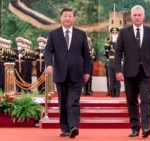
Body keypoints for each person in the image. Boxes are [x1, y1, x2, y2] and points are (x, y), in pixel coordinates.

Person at [114, 5, 150, 138]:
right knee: (131, 100)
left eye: (139, 15)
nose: (137, 17)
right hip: (129, 72)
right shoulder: (124, 32)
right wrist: (118, 70)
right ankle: (135, 128)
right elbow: (118, 53)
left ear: (144, 16)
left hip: (146, 72)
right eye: (135, 15)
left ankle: (146, 127)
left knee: (146, 99)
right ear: (131, 16)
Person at [44, 8, 91, 138]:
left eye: (70, 16)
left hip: (77, 73)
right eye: (65, 16)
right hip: (60, 73)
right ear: (61, 18)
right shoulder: (54, 34)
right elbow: (48, 51)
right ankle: (64, 128)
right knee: (63, 102)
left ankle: (74, 126)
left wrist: (87, 71)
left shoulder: (81, 34)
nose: (67, 18)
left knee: (73, 101)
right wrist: (48, 64)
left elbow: (86, 55)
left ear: (74, 18)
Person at [104, 27, 121, 97]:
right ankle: (112, 96)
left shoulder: (121, 42)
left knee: (117, 81)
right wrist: (111, 40)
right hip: (111, 62)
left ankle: (117, 95)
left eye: (116, 33)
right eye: (113, 33)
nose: (114, 34)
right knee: (111, 80)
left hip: (118, 63)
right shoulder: (109, 42)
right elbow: (106, 48)